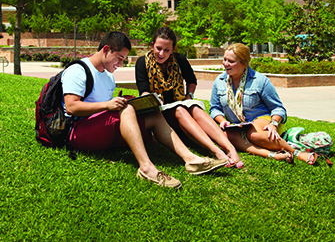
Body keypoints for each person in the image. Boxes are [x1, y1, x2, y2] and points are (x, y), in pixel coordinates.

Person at [62, 31, 227, 189]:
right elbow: (71, 107)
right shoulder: (78, 70)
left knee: (153, 114)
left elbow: (103, 111)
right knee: (126, 110)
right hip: (77, 132)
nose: (120, 64)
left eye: (124, 60)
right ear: (106, 50)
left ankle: (191, 159)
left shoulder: (108, 76)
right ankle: (146, 169)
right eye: (119, 58)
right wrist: (108, 105)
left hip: (99, 129)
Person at [135, 26, 244, 169]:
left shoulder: (179, 60)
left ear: (173, 49)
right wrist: (153, 99)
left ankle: (231, 149)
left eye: (167, 50)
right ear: (152, 46)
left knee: (194, 107)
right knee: (180, 109)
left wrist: (189, 96)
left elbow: (191, 80)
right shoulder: (142, 62)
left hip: (181, 108)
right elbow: (143, 92)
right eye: (158, 48)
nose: (161, 53)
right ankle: (217, 152)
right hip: (159, 115)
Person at [209, 43, 317, 165]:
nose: (225, 64)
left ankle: (296, 152)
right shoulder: (219, 81)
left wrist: (274, 123)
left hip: (262, 120)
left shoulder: (260, 81)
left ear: (243, 63)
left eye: (231, 61)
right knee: (226, 136)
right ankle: (273, 155)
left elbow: (278, 108)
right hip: (237, 126)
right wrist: (222, 120)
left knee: (253, 134)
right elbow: (214, 108)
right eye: (224, 59)